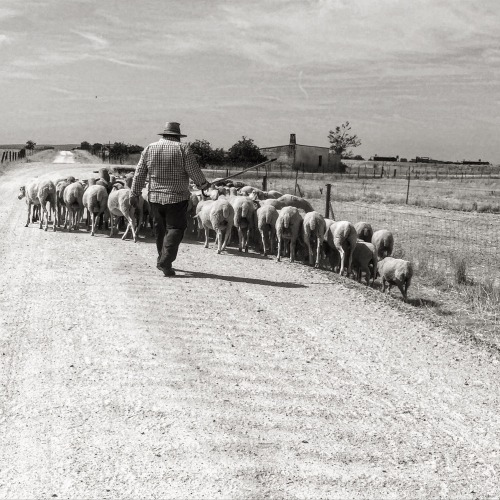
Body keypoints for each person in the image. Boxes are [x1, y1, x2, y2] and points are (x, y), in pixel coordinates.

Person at [130, 122, 210, 277]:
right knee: (176, 228)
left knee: (160, 229)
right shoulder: (183, 148)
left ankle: (162, 259)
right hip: (177, 197)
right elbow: (193, 171)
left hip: (154, 197)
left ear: (164, 134)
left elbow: (139, 173)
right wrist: (203, 184)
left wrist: (134, 193)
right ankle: (165, 262)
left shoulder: (149, 148)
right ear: (177, 136)